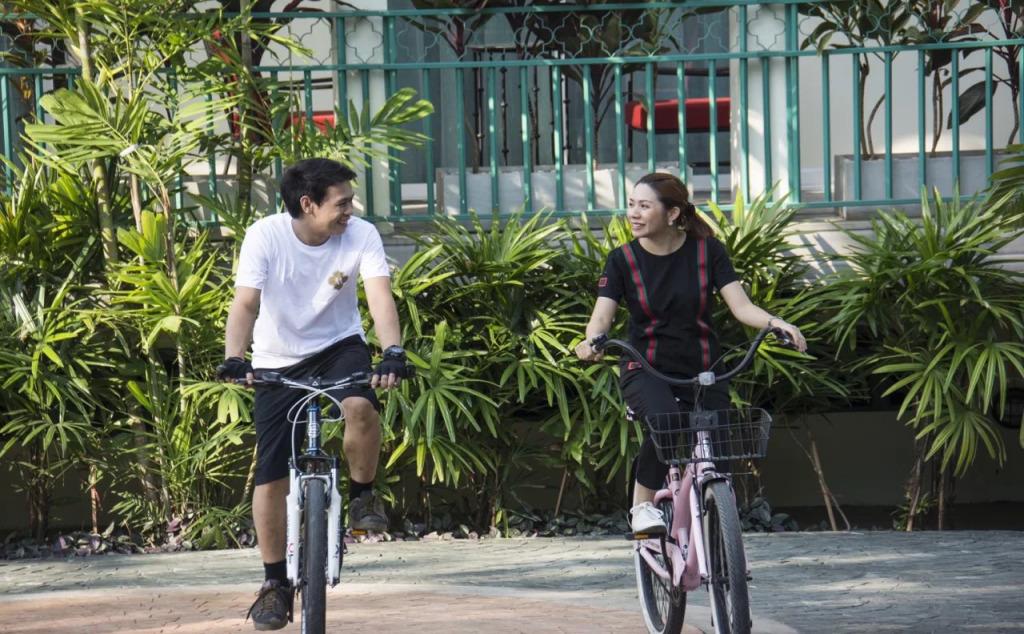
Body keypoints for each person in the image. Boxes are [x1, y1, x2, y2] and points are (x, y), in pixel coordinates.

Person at [216, 158, 408, 630]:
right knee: (271, 473)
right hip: (277, 357)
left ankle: (363, 497)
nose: (350, 210)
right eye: (341, 203)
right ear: (308, 204)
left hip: (339, 346)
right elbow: (246, 302)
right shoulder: (265, 236)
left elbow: (379, 295)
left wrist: (393, 352)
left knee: (360, 406)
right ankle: (274, 584)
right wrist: (235, 357)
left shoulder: (360, 234)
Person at [574, 172, 806, 535]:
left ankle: (716, 531)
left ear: (672, 213)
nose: (633, 213)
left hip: (703, 367)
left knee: (720, 444)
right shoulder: (622, 260)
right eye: (631, 205)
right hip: (646, 366)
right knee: (667, 422)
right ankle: (642, 506)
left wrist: (777, 323)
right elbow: (601, 318)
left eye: (644, 206)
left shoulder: (707, 251)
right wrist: (592, 341)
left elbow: (742, 307)